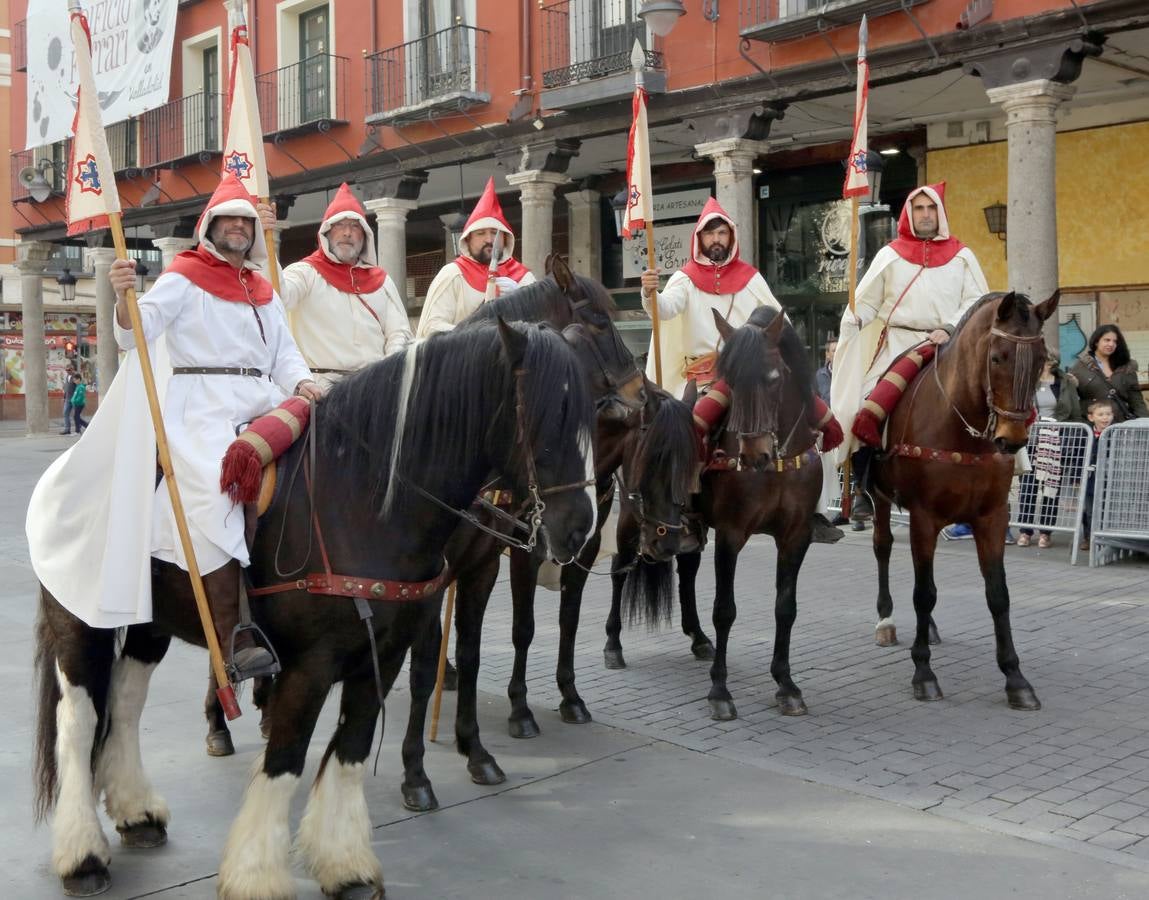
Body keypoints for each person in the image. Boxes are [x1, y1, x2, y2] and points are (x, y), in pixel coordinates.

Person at [27, 173, 320, 683]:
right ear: (209, 226)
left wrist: (304, 383)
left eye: (244, 221)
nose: (237, 227)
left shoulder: (262, 288)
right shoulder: (184, 275)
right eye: (228, 219)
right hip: (199, 408)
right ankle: (234, 636)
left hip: (262, 400)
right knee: (215, 490)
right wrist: (123, 299)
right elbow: (134, 335)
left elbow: (285, 353)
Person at [832, 182, 989, 522]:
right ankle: (864, 487)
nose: (926, 214)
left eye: (931, 208)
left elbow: (976, 300)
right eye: (919, 208)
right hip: (900, 345)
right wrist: (854, 319)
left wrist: (949, 327)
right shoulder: (889, 255)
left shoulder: (962, 256)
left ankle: (993, 474)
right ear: (909, 213)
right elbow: (868, 302)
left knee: (990, 401)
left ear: (941, 213)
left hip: (950, 345)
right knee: (862, 403)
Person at [639, 196, 783, 400]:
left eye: (722, 233)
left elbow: (779, 323)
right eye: (709, 233)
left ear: (731, 236)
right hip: (701, 381)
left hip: (747, 375)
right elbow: (664, 310)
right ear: (699, 237)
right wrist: (649, 292)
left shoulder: (751, 278)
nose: (716, 239)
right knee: (695, 420)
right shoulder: (685, 279)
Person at [272, 183, 412, 388]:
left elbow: (399, 333)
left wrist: (387, 371)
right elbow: (279, 295)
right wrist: (264, 239)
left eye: (355, 226)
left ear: (364, 236)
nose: (347, 232)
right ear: (326, 232)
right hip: (322, 388)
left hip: (374, 386)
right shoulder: (306, 273)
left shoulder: (382, 281)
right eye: (340, 225)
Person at [416, 176, 535, 338]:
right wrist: (477, 335)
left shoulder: (523, 278)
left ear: (506, 238)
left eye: (495, 233)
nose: (489, 239)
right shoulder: (453, 274)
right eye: (481, 233)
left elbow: (541, 328)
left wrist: (521, 299)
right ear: (468, 239)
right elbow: (431, 328)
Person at [1016, 355, 1081, 549]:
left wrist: (1067, 434)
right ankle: (1025, 530)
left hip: (1056, 440)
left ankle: (1045, 531)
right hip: (1031, 440)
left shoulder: (1065, 382)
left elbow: (1074, 412)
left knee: (1052, 487)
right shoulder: (1026, 382)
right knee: (1028, 486)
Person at [1069, 324, 1148, 424]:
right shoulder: (1080, 367)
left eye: (1115, 341)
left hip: (1121, 425)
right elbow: (1072, 400)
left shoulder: (1126, 366)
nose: (1111, 344)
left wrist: (1144, 423)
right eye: (1107, 340)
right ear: (1097, 341)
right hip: (1092, 427)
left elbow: (1136, 400)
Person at [1080, 398, 1116, 550]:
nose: (1105, 417)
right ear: (1091, 417)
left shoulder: (1116, 434)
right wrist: (1076, 478)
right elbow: (1078, 457)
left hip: (1110, 479)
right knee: (1089, 510)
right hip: (1090, 479)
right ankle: (1089, 536)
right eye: (1100, 414)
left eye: (1108, 414)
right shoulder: (1086, 435)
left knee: (1107, 509)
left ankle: (1106, 538)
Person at [816, 339, 836, 405]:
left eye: (840, 350)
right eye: (834, 351)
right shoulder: (820, 375)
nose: (838, 354)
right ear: (827, 354)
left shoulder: (849, 375)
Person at [59, 362, 77, 434]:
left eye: (69, 370)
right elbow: (66, 388)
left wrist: (76, 397)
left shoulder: (76, 376)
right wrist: (64, 397)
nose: (68, 371)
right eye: (66, 370)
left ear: (73, 369)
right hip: (67, 398)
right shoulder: (67, 377)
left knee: (76, 414)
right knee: (65, 413)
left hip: (74, 399)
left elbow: (78, 387)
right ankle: (67, 429)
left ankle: (80, 428)